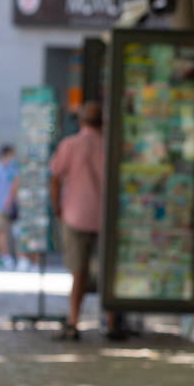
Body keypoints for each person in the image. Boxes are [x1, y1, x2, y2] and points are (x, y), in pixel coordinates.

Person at [48, 101, 118, 340]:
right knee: (109, 271)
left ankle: (73, 321)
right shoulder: (110, 146)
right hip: (106, 217)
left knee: (78, 271)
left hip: (75, 215)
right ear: (103, 122)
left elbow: (55, 178)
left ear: (80, 122)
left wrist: (57, 208)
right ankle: (110, 321)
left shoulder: (70, 145)